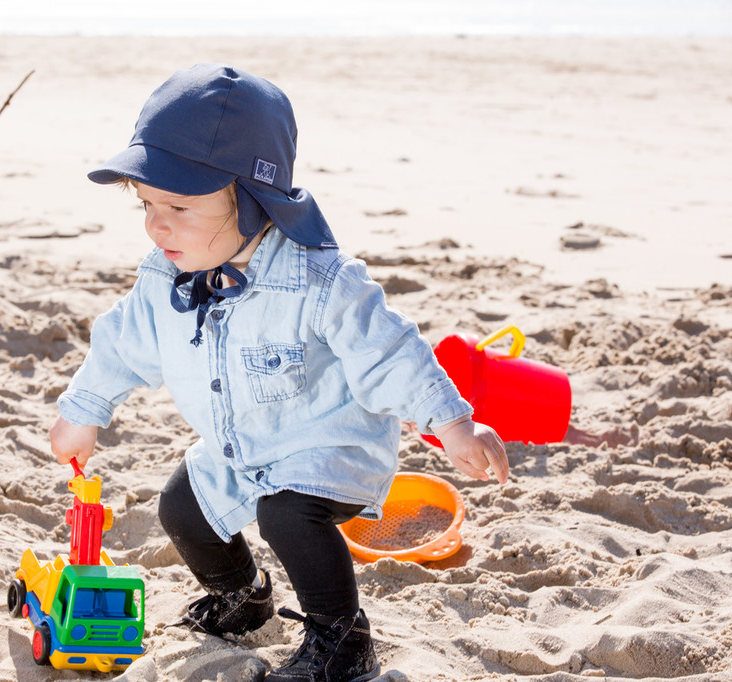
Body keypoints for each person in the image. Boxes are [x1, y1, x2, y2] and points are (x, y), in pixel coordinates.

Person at [49, 63, 509, 682]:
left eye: (179, 205)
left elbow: (389, 350)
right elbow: (122, 344)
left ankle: (341, 641)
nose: (157, 225)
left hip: (329, 447)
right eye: (148, 204)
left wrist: (454, 425)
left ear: (252, 199)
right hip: (241, 445)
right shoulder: (163, 276)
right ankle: (244, 598)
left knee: (286, 515)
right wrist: (84, 411)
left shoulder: (319, 281)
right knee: (182, 506)